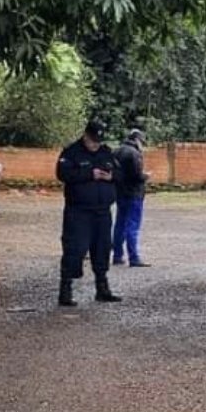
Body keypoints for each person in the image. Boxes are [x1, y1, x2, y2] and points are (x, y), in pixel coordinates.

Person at [55, 119, 123, 306]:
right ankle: (65, 290)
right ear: (85, 135)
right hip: (79, 211)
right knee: (74, 249)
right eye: (93, 140)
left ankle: (102, 288)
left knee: (102, 248)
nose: (95, 144)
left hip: (102, 211)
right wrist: (89, 174)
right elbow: (62, 174)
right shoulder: (72, 152)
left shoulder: (106, 152)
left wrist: (111, 177)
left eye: (98, 141)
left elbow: (121, 174)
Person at [112, 128, 150, 267]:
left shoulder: (116, 151)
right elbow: (136, 175)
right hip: (134, 194)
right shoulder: (134, 154)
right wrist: (146, 176)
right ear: (137, 139)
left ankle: (117, 256)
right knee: (132, 225)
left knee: (119, 224)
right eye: (142, 141)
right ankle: (134, 257)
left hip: (119, 192)